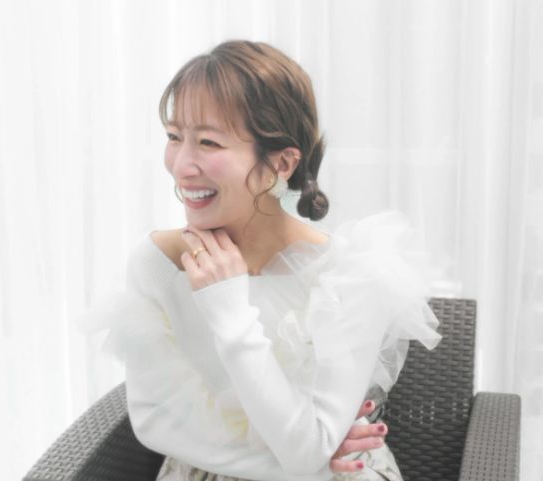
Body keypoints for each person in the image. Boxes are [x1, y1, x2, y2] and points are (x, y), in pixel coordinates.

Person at [85, 40, 441, 481]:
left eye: (208, 142)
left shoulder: (352, 275)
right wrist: (304, 461)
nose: (181, 166)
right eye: (174, 137)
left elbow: (310, 448)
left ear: (282, 163)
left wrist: (229, 312)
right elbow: (154, 421)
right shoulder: (158, 263)